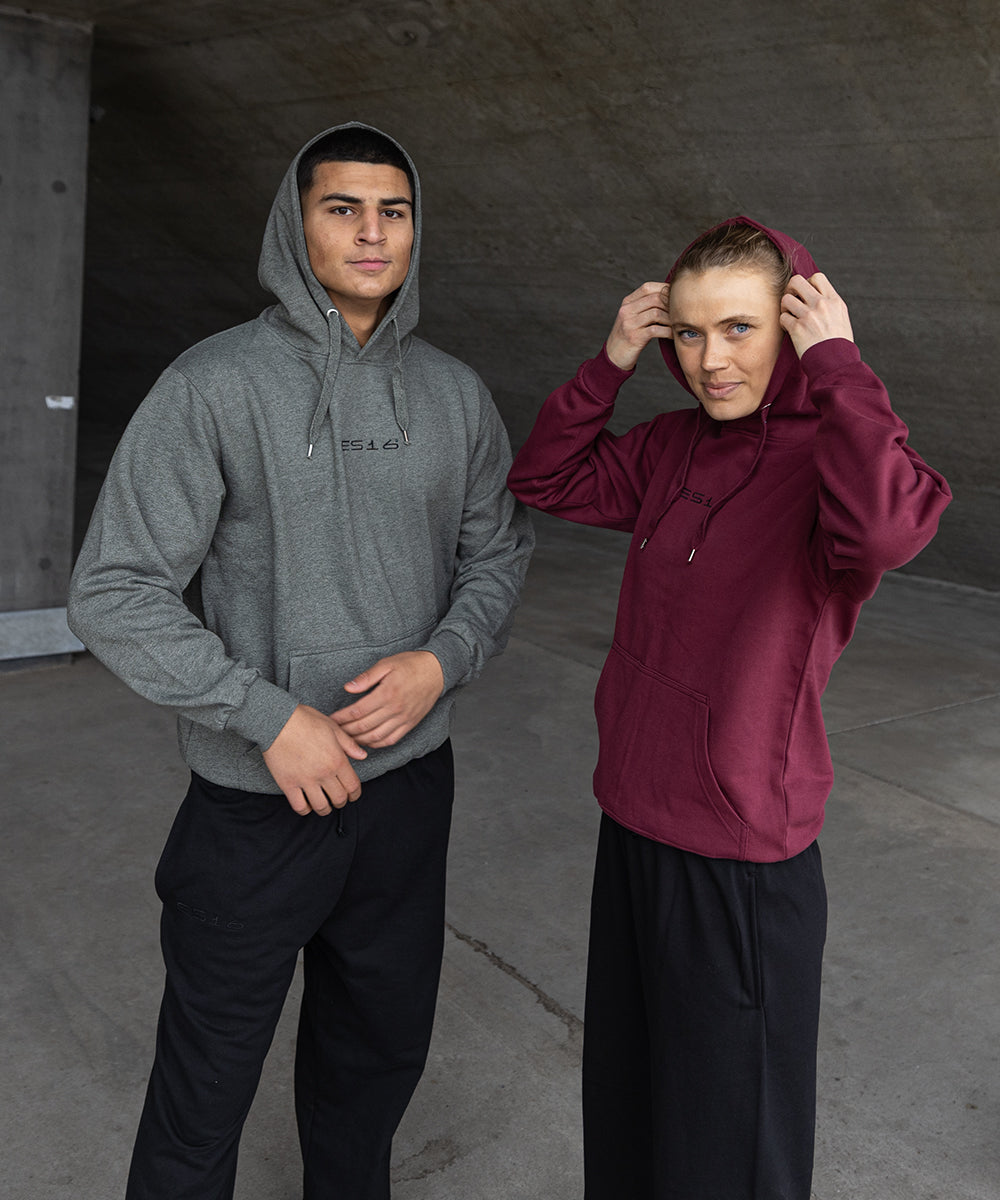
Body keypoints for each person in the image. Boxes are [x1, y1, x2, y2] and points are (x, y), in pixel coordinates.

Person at [68, 121, 532, 1200]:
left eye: (393, 211)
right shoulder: (214, 385)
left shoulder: (456, 394)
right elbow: (113, 588)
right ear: (296, 223)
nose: (372, 233)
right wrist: (266, 714)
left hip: (407, 793)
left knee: (374, 1066)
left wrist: (442, 661)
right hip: (255, 806)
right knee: (203, 1093)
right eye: (343, 208)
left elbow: (498, 553)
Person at [507, 217, 950, 1200]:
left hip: (740, 853)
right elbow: (544, 476)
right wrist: (610, 364)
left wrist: (838, 367)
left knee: (731, 1153)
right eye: (690, 333)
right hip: (633, 818)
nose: (712, 360)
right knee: (629, 1111)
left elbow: (887, 530)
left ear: (794, 324)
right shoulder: (670, 446)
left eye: (740, 328)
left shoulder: (834, 463)